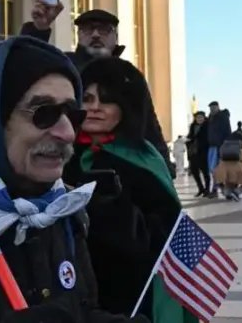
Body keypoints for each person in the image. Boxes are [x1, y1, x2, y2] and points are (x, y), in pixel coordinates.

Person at [0, 36, 144, 322]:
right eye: (43, 113)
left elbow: (81, 308)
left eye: (72, 114)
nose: (67, 133)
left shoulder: (64, 209)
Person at [62, 58, 184, 321]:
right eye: (87, 98)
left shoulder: (143, 159)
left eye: (106, 100)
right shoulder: (59, 155)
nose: (94, 108)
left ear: (124, 107)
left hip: (129, 293)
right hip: (73, 287)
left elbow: (164, 236)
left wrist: (103, 208)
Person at [22, 0, 172, 171]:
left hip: (122, 165)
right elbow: (25, 66)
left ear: (115, 36)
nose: (95, 34)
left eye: (103, 29)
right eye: (87, 29)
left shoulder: (129, 75)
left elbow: (148, 123)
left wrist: (164, 166)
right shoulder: (64, 65)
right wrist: (39, 29)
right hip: (69, 164)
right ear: (78, 35)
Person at [186, 111, 211, 196]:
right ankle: (201, 188)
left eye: (201, 117)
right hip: (193, 152)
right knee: (194, 171)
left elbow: (208, 138)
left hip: (203, 151)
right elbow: (190, 136)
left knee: (205, 172)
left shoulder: (207, 126)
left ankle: (207, 189)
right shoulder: (192, 126)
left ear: (204, 118)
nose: (199, 119)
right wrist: (188, 140)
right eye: (197, 117)